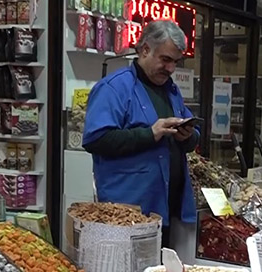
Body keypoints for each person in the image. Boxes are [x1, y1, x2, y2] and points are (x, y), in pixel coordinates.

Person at [82, 20, 199, 247]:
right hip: (128, 213)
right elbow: (96, 139)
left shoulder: (171, 91)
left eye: (175, 62)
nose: (171, 69)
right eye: (165, 60)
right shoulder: (114, 88)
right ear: (145, 49)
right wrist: (150, 134)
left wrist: (188, 137)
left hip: (166, 209)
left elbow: (193, 133)